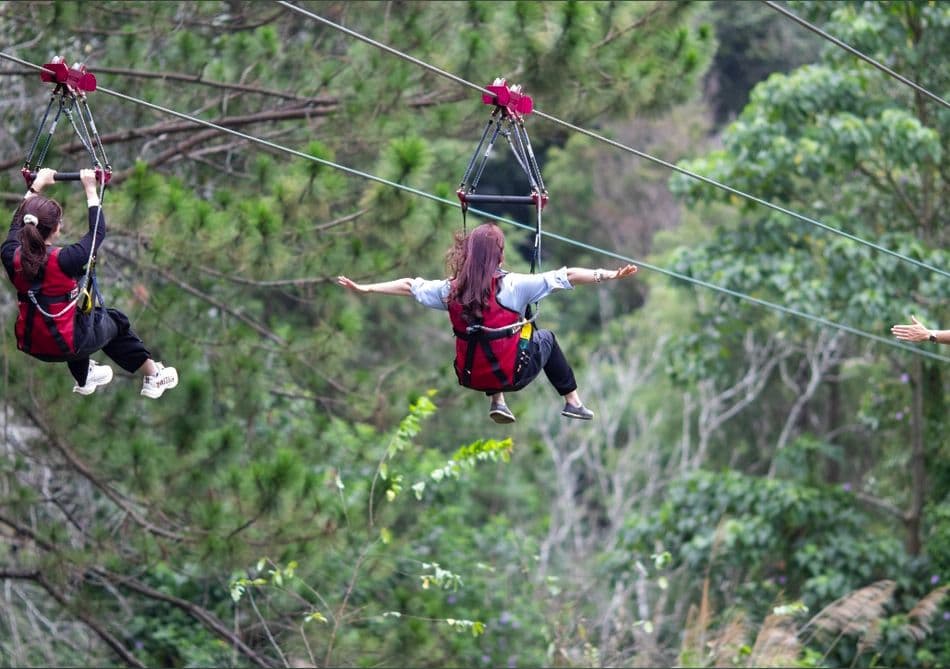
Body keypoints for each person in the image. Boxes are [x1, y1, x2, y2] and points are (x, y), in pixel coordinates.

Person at [337, 222, 637, 423]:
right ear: (501, 255)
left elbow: (409, 285)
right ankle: (572, 401)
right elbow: (566, 276)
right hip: (512, 375)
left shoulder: (449, 290)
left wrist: (367, 288)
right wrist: (607, 274)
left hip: (470, 376)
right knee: (544, 337)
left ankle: (497, 402)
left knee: (487, 336)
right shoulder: (515, 286)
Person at [2, 167, 179, 398]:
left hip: (33, 344)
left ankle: (84, 375)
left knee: (80, 319)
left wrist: (36, 187)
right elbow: (97, 233)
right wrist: (91, 190)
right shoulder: (65, 260)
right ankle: (153, 375)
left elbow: (16, 223)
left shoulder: (10, 255)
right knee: (114, 320)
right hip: (66, 344)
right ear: (55, 229)